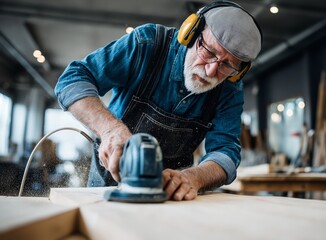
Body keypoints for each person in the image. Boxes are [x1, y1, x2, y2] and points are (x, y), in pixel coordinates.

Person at [55, 1, 262, 201]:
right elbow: (73, 78)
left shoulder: (229, 87)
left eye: (227, 65)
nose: (211, 71)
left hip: (174, 196)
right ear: (190, 31)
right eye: (208, 52)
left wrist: (193, 178)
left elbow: (226, 152)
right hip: (108, 187)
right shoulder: (148, 44)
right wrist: (109, 130)